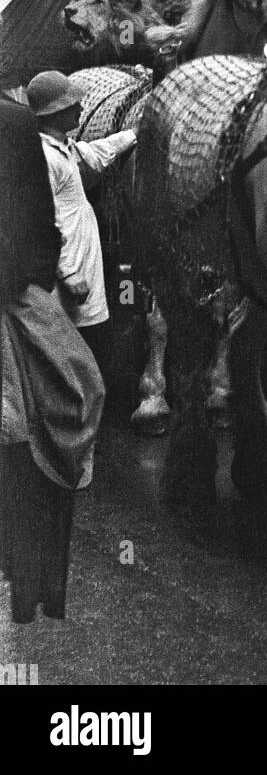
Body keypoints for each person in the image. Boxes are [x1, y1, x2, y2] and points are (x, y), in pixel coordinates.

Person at [0, 96, 104, 622]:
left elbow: (36, 222)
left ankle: (30, 583)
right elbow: (37, 222)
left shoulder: (18, 124)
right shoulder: (16, 124)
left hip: (17, 286)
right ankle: (32, 583)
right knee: (70, 393)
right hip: (16, 291)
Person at [27, 72, 136, 379]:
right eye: (73, 104)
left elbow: (96, 153)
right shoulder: (43, 157)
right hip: (70, 264)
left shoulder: (64, 147)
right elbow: (41, 219)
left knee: (92, 341)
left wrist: (134, 133)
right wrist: (69, 272)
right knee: (76, 351)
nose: (80, 109)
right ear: (56, 112)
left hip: (82, 257)